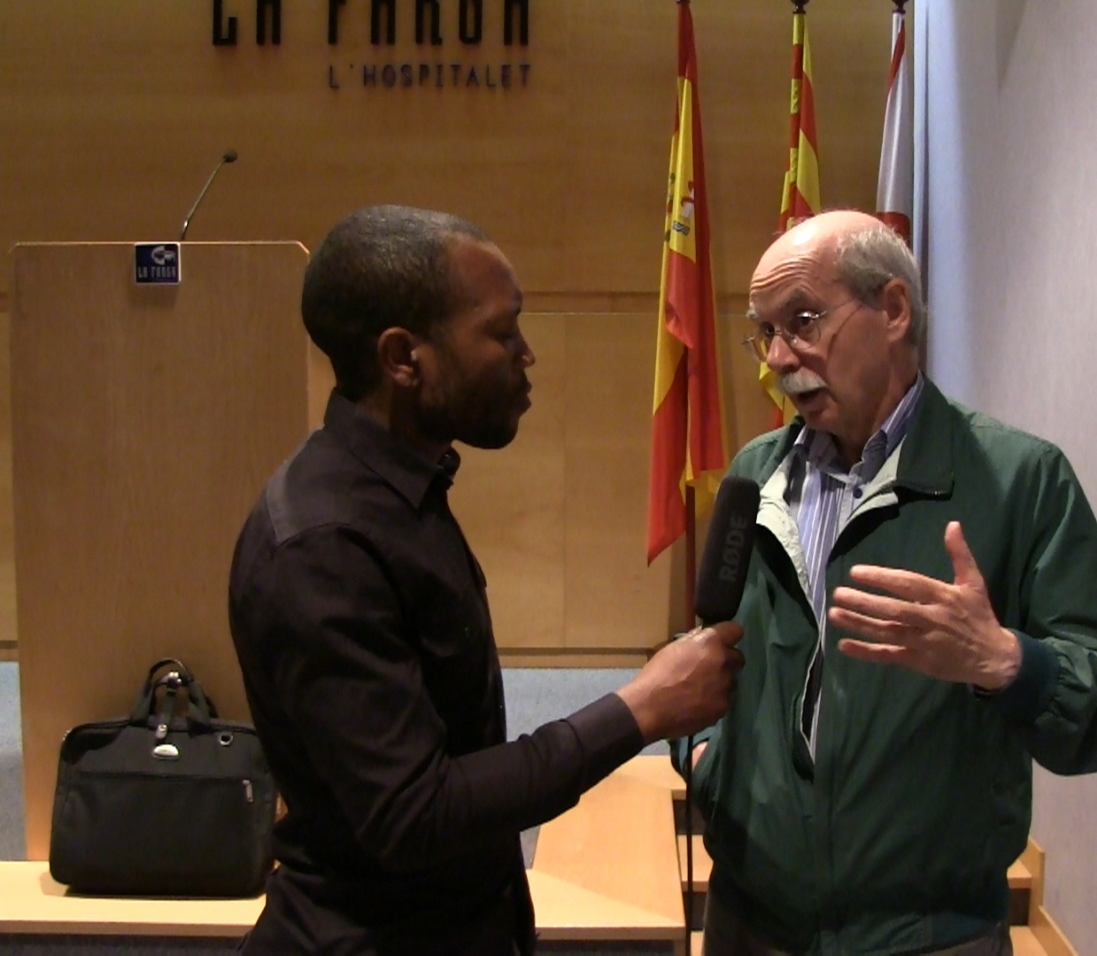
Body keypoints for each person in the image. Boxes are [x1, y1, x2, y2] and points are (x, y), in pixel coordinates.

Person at [228, 205, 743, 956]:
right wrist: (639, 710)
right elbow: (413, 815)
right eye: (502, 334)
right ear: (405, 358)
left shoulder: (403, 489)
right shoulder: (324, 546)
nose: (527, 354)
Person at [678, 210, 1097, 955]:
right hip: (752, 928)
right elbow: (715, 645)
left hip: (931, 937)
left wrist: (1006, 663)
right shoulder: (755, 474)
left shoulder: (1018, 479)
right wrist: (706, 758)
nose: (778, 357)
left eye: (802, 321)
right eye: (765, 332)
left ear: (894, 309)